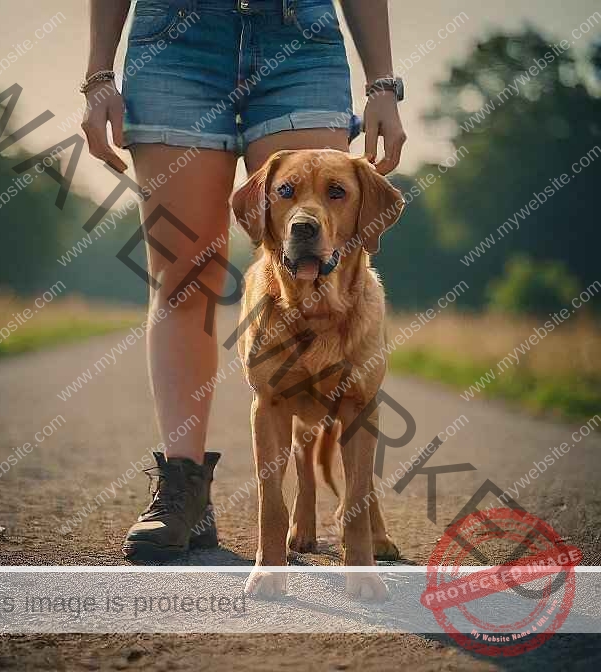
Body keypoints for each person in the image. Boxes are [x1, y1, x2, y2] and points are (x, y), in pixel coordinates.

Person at [81, 0, 406, 562]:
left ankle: (359, 505)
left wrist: (382, 83)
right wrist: (99, 74)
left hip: (302, 36)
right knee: (183, 277)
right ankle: (183, 488)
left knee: (330, 256)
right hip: (172, 39)